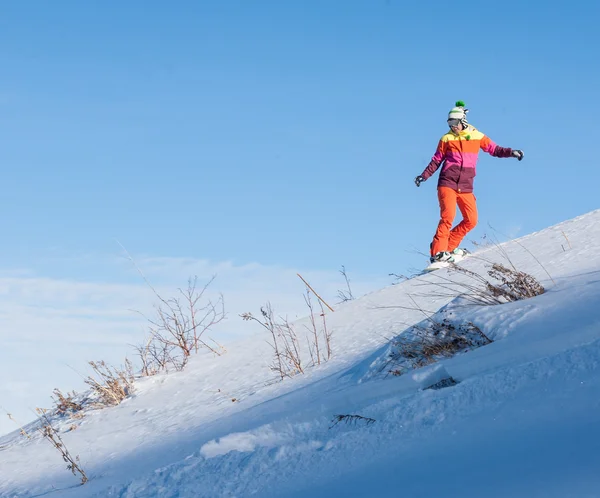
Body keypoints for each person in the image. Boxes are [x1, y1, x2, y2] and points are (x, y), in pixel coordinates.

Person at [414, 101, 524, 264]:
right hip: (447, 183)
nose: (452, 126)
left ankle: (449, 247)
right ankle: (437, 252)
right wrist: (424, 175)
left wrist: (511, 152)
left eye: (454, 123)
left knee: (471, 220)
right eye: (449, 123)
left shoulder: (476, 136)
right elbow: (436, 161)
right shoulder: (446, 139)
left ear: (462, 121)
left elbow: (495, 149)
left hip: (466, 186)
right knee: (448, 217)